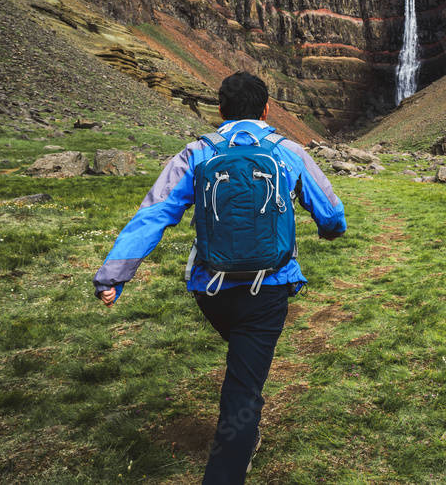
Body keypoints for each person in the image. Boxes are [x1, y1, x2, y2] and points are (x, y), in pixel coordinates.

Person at [92, 71, 347, 485]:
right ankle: (231, 460)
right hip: (268, 290)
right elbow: (332, 213)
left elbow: (154, 213)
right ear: (267, 109)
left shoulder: (196, 153)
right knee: (243, 387)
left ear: (220, 110)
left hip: (209, 290)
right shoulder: (290, 151)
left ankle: (243, 423)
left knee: (244, 359)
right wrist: (332, 230)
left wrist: (113, 276)